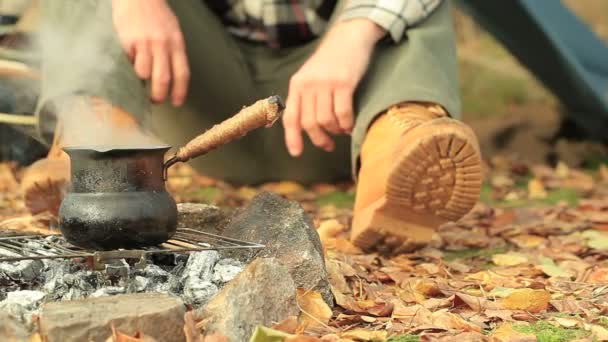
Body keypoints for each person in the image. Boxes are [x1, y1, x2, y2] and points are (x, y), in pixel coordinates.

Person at [21, 0, 482, 253]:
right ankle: (94, 146)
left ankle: (393, 155)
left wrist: (357, 33)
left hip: (336, 118)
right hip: (198, 105)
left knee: (417, 9)